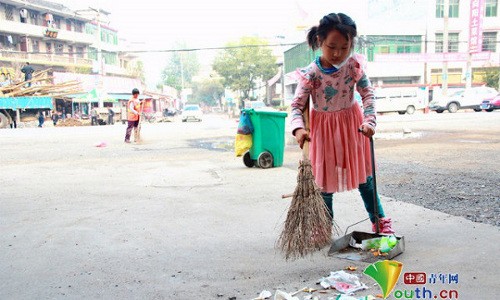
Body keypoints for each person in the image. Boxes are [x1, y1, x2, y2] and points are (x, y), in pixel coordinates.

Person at [290, 12, 394, 234]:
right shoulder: (311, 74)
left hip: (353, 128)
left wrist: (370, 121)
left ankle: (379, 220)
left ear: (352, 45)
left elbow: (367, 95)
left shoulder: (354, 66)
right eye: (331, 46)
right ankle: (323, 226)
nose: (338, 53)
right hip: (323, 132)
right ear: (320, 41)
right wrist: (299, 129)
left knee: (365, 180)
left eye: (344, 47)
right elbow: (297, 106)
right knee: (324, 183)